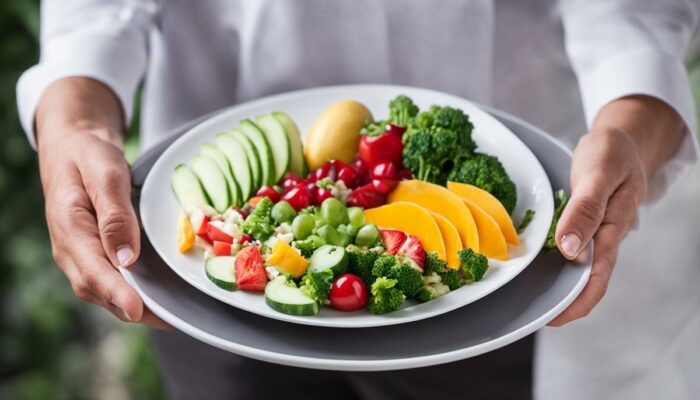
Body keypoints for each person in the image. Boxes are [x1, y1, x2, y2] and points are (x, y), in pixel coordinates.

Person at [17, 1, 700, 399]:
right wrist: (73, 120)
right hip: (208, 292)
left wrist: (629, 129)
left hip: (500, 286)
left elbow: (632, 15)